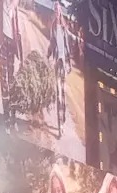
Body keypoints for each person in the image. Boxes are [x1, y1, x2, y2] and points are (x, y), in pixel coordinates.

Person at [0, 0, 21, 126]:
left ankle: (13, 113)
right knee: (4, 80)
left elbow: (18, 32)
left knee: (11, 80)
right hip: (2, 42)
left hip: (12, 44)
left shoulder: (15, 7)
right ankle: (6, 117)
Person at [47, 0, 70, 131]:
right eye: (55, 10)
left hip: (64, 63)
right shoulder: (53, 27)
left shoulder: (64, 28)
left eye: (58, 10)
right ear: (54, 12)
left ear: (60, 12)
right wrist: (47, 56)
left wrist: (69, 63)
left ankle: (64, 115)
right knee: (58, 93)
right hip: (56, 62)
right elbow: (51, 44)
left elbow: (67, 44)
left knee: (64, 92)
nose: (57, 12)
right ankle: (59, 124)